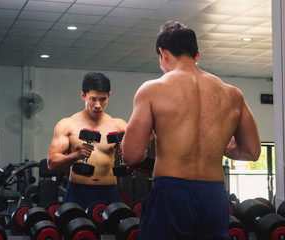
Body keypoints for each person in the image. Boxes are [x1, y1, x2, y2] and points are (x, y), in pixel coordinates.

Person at [121, 20, 261, 239]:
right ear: (197, 54)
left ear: (163, 53)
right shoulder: (233, 94)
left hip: (171, 192)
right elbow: (251, 151)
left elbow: (130, 155)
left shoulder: (152, 90)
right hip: (214, 195)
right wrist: (216, 144)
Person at [47, 72, 127, 210]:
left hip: (109, 192)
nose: (98, 105)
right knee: (75, 230)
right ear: (83, 95)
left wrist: (125, 154)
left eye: (103, 99)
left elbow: (136, 159)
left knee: (115, 231)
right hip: (78, 191)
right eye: (93, 99)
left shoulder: (119, 125)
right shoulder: (67, 125)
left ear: (109, 96)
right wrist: (76, 156)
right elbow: (51, 164)